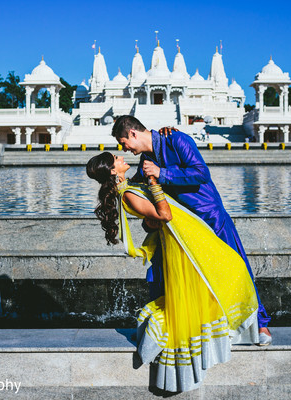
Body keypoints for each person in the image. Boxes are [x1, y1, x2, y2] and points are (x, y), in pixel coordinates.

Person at [86, 152, 259, 392]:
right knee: (232, 270)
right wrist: (155, 183)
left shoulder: (129, 187)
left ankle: (226, 335)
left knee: (228, 271)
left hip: (187, 231)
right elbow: (164, 215)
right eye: (115, 158)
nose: (119, 155)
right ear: (114, 171)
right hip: (182, 241)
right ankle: (213, 338)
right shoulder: (127, 195)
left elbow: (153, 215)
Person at [111, 115, 271, 343]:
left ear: (133, 134)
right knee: (169, 274)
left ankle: (262, 326)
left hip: (210, 217)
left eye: (123, 142)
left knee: (237, 268)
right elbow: (139, 191)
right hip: (182, 228)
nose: (124, 148)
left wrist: (161, 173)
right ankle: (179, 329)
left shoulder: (176, 140)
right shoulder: (146, 157)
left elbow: (201, 173)